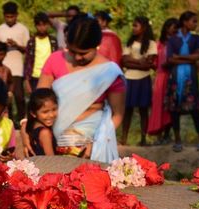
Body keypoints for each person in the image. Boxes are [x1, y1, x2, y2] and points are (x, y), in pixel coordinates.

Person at [26, 16, 125, 162]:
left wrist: (98, 142)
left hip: (92, 143)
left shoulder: (109, 72)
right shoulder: (55, 61)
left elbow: (117, 115)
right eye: (72, 51)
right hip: (53, 140)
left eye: (84, 53)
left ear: (97, 45)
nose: (78, 58)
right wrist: (26, 129)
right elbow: (37, 102)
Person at [166, 11, 199, 152]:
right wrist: (190, 57)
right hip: (176, 76)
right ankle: (177, 139)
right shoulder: (173, 39)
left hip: (190, 77)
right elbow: (170, 59)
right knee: (174, 108)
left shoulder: (195, 38)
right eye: (193, 21)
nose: (195, 24)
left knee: (194, 108)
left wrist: (180, 57)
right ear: (185, 22)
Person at [0, 1, 30, 123]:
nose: (9, 19)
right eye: (7, 17)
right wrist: (4, 47)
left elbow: (28, 49)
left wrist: (16, 45)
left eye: (12, 16)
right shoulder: (0, 29)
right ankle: (9, 122)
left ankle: (22, 121)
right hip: (1, 68)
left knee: (18, 96)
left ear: (16, 15)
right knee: (4, 97)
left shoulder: (23, 29)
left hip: (17, 67)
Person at [121, 16, 157, 146]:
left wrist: (132, 61)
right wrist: (139, 61)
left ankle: (143, 138)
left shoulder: (152, 44)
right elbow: (124, 61)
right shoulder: (130, 42)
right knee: (127, 110)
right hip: (129, 78)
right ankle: (124, 138)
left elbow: (149, 64)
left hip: (143, 79)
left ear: (144, 27)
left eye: (136, 25)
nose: (133, 28)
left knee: (143, 110)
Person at [148, 18, 179, 143]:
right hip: (161, 77)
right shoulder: (158, 43)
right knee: (159, 106)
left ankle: (167, 134)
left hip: (173, 76)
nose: (175, 29)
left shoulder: (177, 43)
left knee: (170, 106)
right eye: (173, 27)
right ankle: (158, 135)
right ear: (167, 28)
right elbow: (154, 62)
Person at [24, 12, 58, 93]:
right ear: (35, 26)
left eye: (44, 25)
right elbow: (27, 61)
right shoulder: (31, 42)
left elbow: (56, 59)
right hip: (34, 76)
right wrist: (26, 80)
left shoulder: (53, 41)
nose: (42, 28)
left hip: (49, 76)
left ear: (48, 25)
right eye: (39, 25)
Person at [26, 88, 58, 155]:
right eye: (45, 112)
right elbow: (51, 159)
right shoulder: (45, 133)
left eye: (54, 109)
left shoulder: (32, 125)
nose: (51, 115)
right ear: (33, 113)